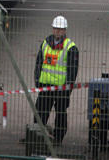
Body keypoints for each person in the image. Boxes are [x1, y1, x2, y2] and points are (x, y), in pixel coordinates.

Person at [34, 16, 79, 145]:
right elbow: (38, 63)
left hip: (61, 88)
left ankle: (57, 138)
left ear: (65, 30)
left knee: (60, 113)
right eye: (55, 28)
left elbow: (72, 71)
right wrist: (38, 81)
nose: (57, 31)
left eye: (60, 29)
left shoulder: (71, 47)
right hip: (46, 86)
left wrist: (67, 89)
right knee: (40, 111)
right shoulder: (45, 43)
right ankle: (36, 135)